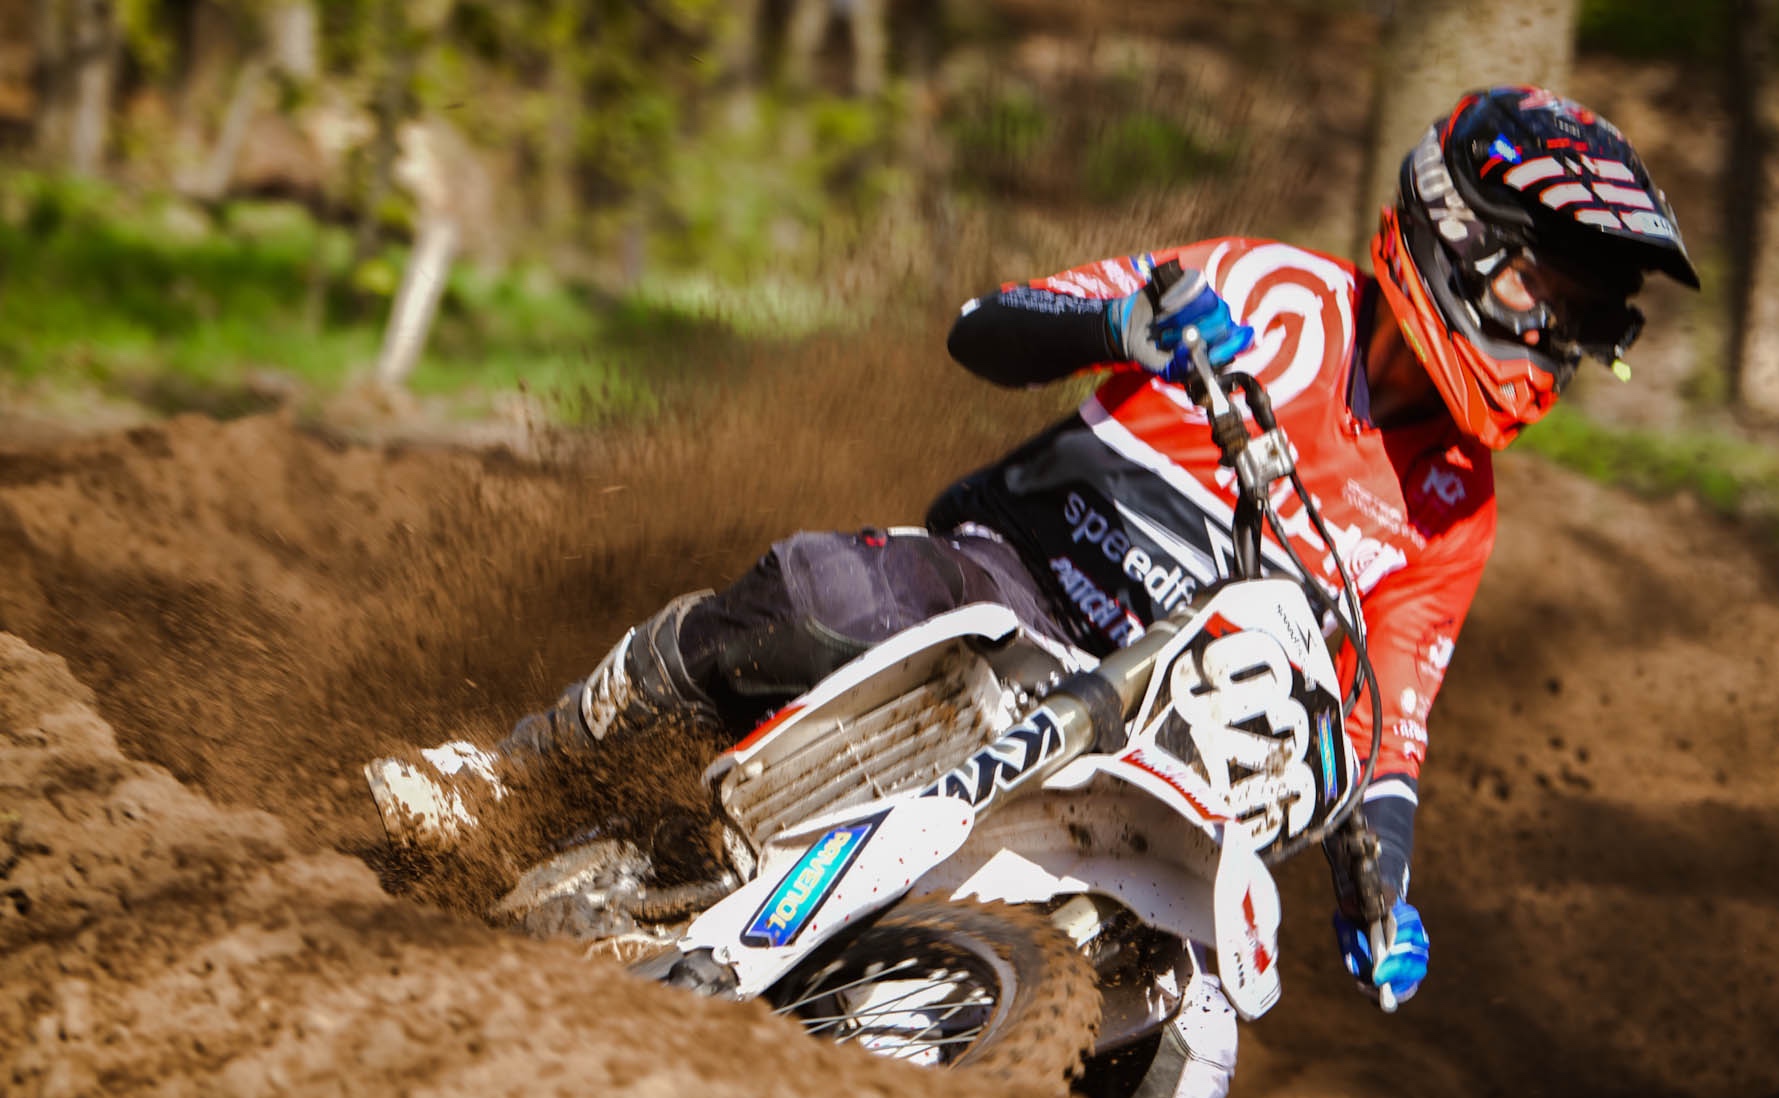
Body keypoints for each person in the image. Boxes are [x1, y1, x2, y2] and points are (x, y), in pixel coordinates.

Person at [368, 85, 1698, 1016]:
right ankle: (510, 772)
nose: (1558, 340)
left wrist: (1384, 890)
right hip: (1010, 593)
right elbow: (986, 325)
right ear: (1463, 235)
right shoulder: (1279, 298)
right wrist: (1127, 326)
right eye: (1549, 291)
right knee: (825, 598)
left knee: (1190, 992)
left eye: (1589, 318)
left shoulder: (1456, 507)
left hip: (1175, 753)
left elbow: (1391, 730)